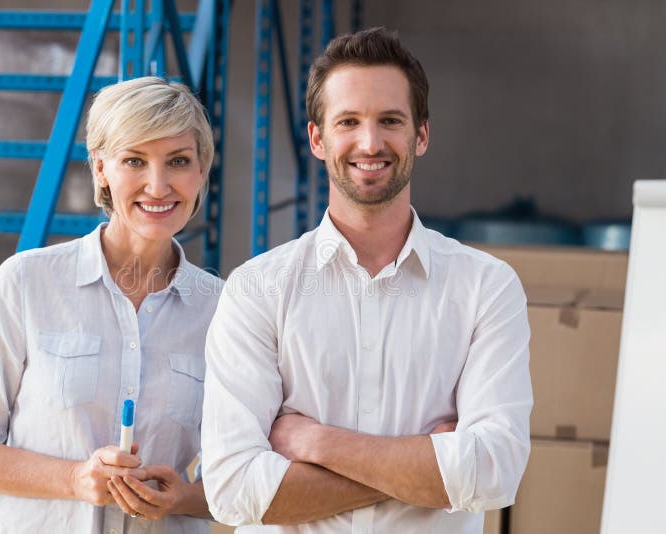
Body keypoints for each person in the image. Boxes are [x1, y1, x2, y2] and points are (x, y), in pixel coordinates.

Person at [201, 27, 533, 533]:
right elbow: (233, 489)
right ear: (318, 138)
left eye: (390, 121)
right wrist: (428, 466)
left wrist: (318, 445)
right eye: (348, 121)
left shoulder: (486, 288)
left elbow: (495, 472)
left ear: (421, 134)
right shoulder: (256, 289)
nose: (370, 142)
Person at [0, 77, 223, 534]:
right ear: (101, 168)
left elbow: (244, 473)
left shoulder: (222, 310)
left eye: (179, 161)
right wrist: (74, 479)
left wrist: (183, 497)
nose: (158, 184)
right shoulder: (27, 283)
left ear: (201, 170)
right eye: (134, 161)